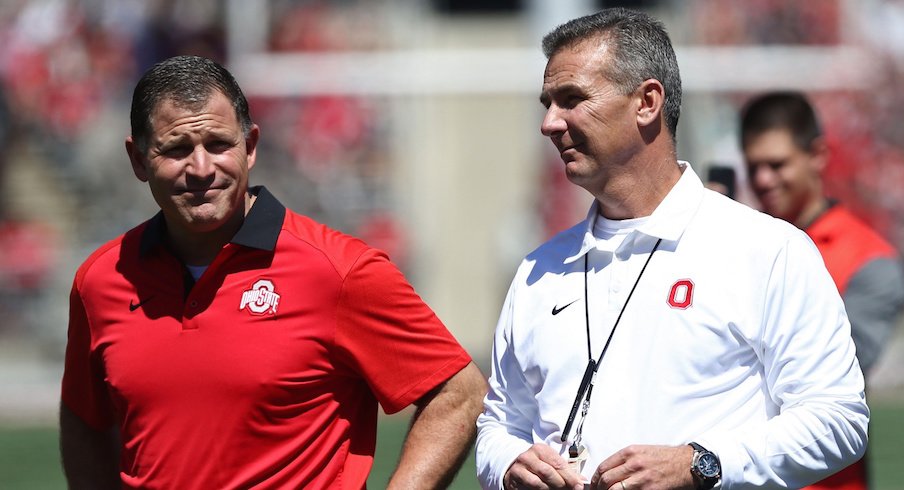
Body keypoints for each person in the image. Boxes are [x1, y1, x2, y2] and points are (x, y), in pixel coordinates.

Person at [475, 8, 867, 490]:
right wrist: (510, 465)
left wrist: (701, 463)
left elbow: (840, 420)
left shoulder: (768, 250)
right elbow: (498, 426)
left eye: (571, 99)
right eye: (547, 103)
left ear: (647, 102)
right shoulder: (538, 269)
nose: (550, 123)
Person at [59, 55, 487, 489]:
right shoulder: (100, 279)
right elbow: (84, 418)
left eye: (219, 144)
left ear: (251, 146)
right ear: (137, 159)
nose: (202, 168)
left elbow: (460, 393)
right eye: (176, 149)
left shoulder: (339, 270)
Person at [740, 91, 904, 490]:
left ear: (817, 155)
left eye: (777, 164)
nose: (762, 179)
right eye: (753, 166)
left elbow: (834, 370)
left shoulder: (870, 258)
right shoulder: (734, 242)